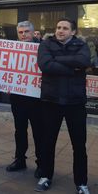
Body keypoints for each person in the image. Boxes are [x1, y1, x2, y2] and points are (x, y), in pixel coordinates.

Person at [35, 18, 90, 193]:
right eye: (58, 27)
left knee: (79, 145)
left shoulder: (82, 45)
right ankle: (45, 176)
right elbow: (45, 65)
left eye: (65, 28)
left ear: (73, 32)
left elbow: (83, 62)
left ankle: (81, 183)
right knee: (48, 142)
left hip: (75, 102)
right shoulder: (46, 44)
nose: (60, 30)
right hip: (51, 101)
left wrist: (57, 60)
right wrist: (72, 70)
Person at [6, 21, 43, 178]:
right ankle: (20, 159)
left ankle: (41, 164)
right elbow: (5, 68)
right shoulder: (11, 49)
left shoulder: (43, 48)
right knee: (19, 131)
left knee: (39, 132)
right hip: (18, 98)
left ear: (33, 32)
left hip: (37, 99)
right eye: (20, 32)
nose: (23, 35)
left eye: (26, 31)